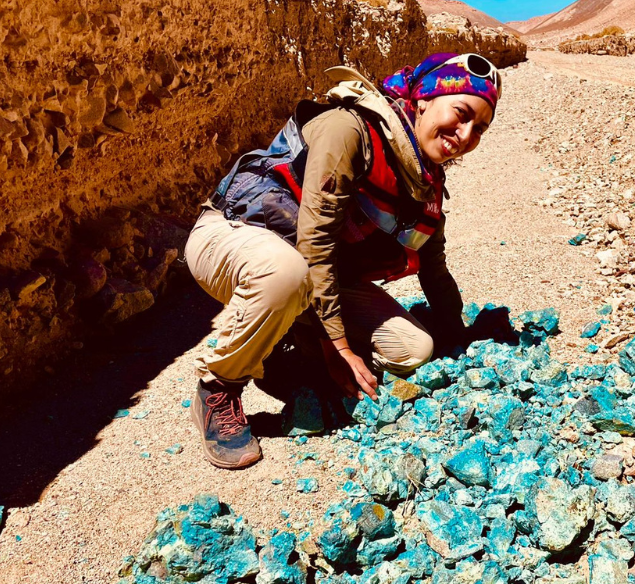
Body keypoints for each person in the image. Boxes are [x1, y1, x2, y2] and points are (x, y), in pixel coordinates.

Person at [183, 52, 501, 468]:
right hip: (236, 238)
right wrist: (337, 344)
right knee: (285, 274)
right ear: (424, 99)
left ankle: (279, 346)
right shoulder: (349, 129)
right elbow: (314, 241)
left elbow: (433, 264)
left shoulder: (424, 182)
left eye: (479, 129)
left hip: (314, 272)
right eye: (461, 113)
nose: (465, 134)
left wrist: (456, 334)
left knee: (414, 349)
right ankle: (218, 386)